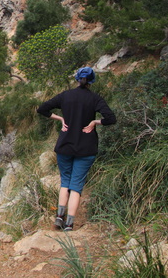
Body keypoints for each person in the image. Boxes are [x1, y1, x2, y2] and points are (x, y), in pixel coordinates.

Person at [37, 67, 116, 231]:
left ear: (77, 79)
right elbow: (110, 118)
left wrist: (60, 119)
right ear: (91, 81)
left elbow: (42, 109)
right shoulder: (95, 99)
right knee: (76, 185)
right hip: (86, 148)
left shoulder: (65, 96)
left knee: (65, 181)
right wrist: (95, 122)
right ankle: (70, 224)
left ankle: (59, 217)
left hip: (65, 145)